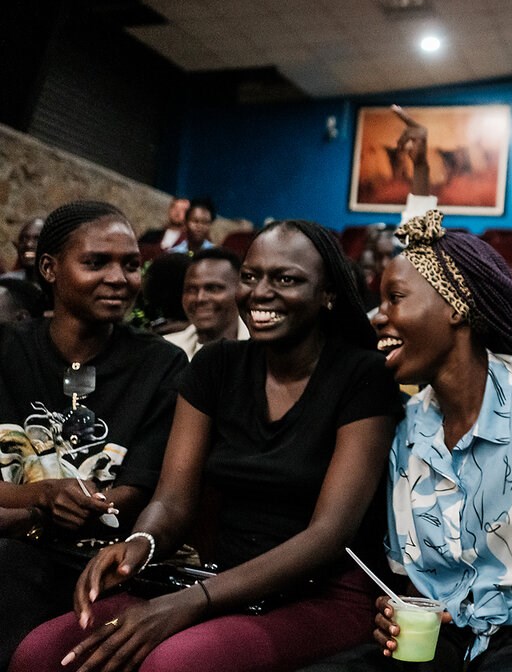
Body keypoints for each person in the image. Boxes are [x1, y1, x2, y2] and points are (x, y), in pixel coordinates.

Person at [12, 220, 402, 672]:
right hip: (214, 578)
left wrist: (192, 603)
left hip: (324, 591)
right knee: (40, 654)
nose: (260, 293)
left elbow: (328, 535)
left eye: (286, 279)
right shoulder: (215, 365)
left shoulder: (362, 376)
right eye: (251, 276)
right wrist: (141, 542)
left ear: (327, 294)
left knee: (173, 663)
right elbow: (173, 499)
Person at [305, 210, 512, 671]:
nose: (379, 317)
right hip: (452, 640)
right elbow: (418, 584)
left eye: (394, 298)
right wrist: (398, 613)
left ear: (455, 305)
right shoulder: (406, 428)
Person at [0, 201, 187, 669]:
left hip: (100, 563)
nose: (119, 278)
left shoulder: (160, 364)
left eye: (130, 265)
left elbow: (139, 487)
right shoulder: (6, 349)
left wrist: (49, 510)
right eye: (96, 262)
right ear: (49, 268)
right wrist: (42, 497)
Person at [163, 247, 250, 360]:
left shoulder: (263, 351)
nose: (200, 298)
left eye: (213, 288)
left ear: (240, 292)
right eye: (192, 290)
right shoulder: (165, 352)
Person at [3, 216, 45, 283]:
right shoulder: (7, 284)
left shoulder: (62, 286)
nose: (28, 244)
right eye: (24, 239)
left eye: (37, 239)